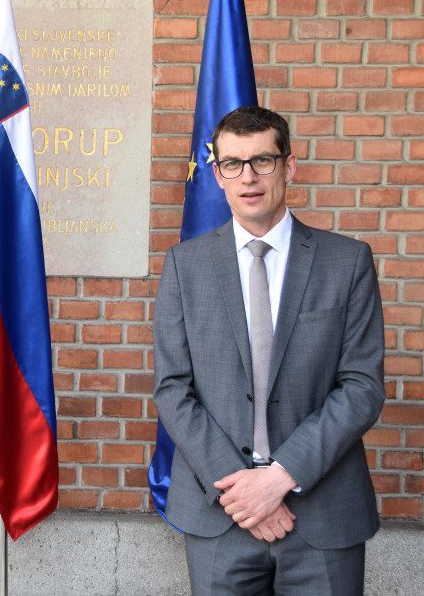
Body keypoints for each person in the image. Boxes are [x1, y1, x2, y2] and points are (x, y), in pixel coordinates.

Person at [153, 106, 385, 595]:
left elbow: (361, 387)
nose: (249, 177)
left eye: (263, 160)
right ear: (217, 175)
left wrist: (281, 477)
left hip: (322, 515)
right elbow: (174, 389)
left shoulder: (347, 261)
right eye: (233, 163)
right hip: (221, 512)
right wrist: (242, 491)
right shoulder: (184, 266)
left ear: (289, 165)